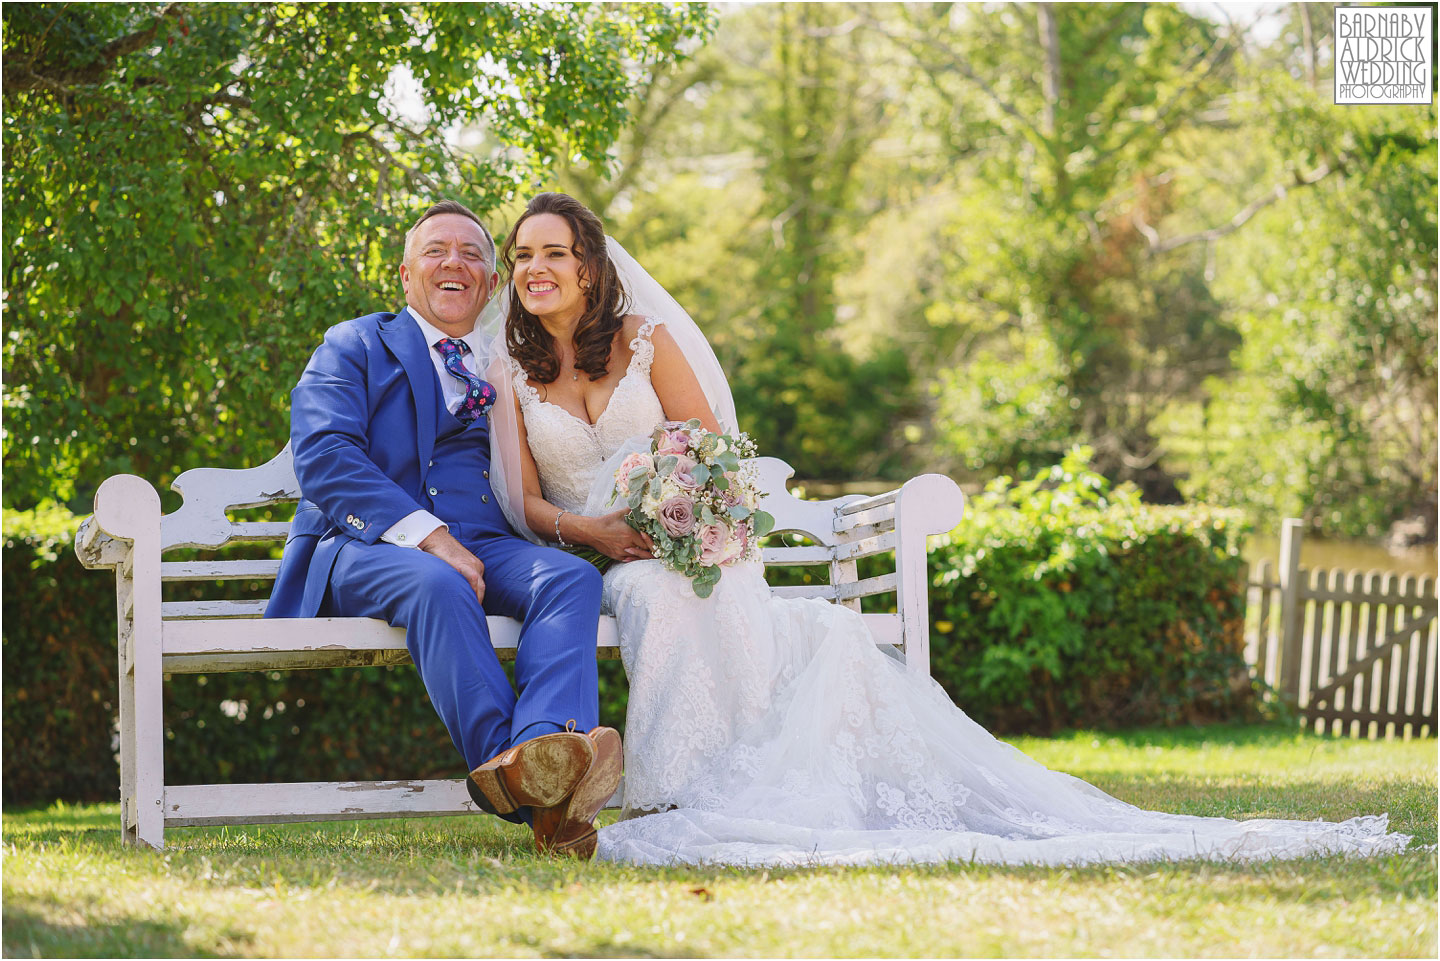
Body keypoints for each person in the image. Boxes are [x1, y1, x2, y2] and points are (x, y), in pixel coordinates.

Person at [486, 191, 1413, 868]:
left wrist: (689, 510)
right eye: (522, 254)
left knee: (706, 580)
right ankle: (675, 782)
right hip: (601, 553)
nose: (534, 269)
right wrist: (597, 531)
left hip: (686, 539)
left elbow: (711, 450)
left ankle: (717, 784)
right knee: (654, 587)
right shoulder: (511, 372)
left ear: (590, 266)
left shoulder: (649, 339)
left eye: (553, 252)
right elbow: (524, 500)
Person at [266, 199, 621, 859]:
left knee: (569, 577)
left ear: (488, 286)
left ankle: (546, 743)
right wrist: (429, 534)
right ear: (405, 275)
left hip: (485, 543)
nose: (453, 262)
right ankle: (514, 771)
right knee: (438, 581)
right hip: (366, 546)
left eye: (472, 255)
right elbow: (324, 456)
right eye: (436, 251)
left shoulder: (507, 362)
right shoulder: (353, 344)